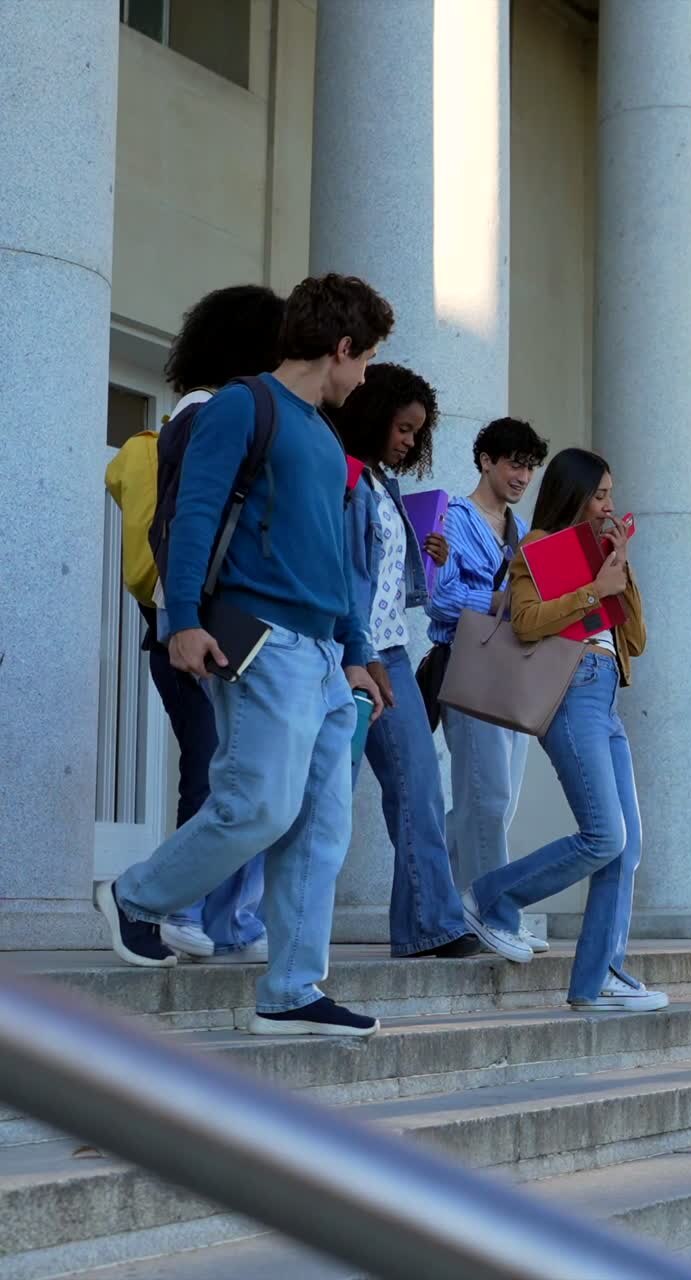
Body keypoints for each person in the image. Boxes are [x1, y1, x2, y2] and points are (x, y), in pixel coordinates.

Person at [97, 273, 392, 1039]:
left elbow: (332, 555)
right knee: (257, 805)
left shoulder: (325, 437)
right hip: (261, 641)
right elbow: (192, 513)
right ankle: (136, 896)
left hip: (324, 654)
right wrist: (183, 619)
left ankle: (292, 990)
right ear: (341, 346)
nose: (364, 380)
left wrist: (356, 651)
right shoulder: (243, 405)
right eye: (365, 362)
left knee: (320, 829)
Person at [462, 447, 668, 1011]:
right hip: (570, 690)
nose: (609, 505)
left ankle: (596, 979)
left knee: (626, 849)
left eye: (610, 494)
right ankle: (491, 895)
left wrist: (620, 574)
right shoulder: (539, 547)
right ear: (574, 492)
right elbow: (527, 623)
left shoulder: (599, 553)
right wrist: (592, 591)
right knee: (604, 835)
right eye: (600, 494)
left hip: (606, 700)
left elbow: (636, 641)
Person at [142, 284, 285, 963]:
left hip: (227, 620)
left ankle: (230, 917)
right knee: (216, 771)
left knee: (242, 773)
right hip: (205, 621)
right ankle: (179, 906)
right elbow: (180, 522)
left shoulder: (233, 411)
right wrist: (183, 620)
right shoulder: (209, 411)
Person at [332, 363, 482, 959]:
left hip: (390, 651)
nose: (409, 441)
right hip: (348, 651)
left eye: (418, 433)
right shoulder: (343, 477)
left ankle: (429, 924)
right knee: (310, 800)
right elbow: (346, 575)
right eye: (403, 427)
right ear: (371, 415)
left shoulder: (383, 486)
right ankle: (222, 917)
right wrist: (355, 651)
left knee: (420, 787)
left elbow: (391, 577)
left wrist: (428, 554)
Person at [427, 418, 549, 954]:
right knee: (487, 797)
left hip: (511, 669)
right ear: (486, 461)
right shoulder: (454, 518)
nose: (522, 475)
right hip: (470, 664)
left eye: (529, 465)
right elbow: (439, 598)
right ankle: (492, 911)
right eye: (514, 463)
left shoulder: (520, 532)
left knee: (499, 797)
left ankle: (455, 907)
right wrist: (500, 603)